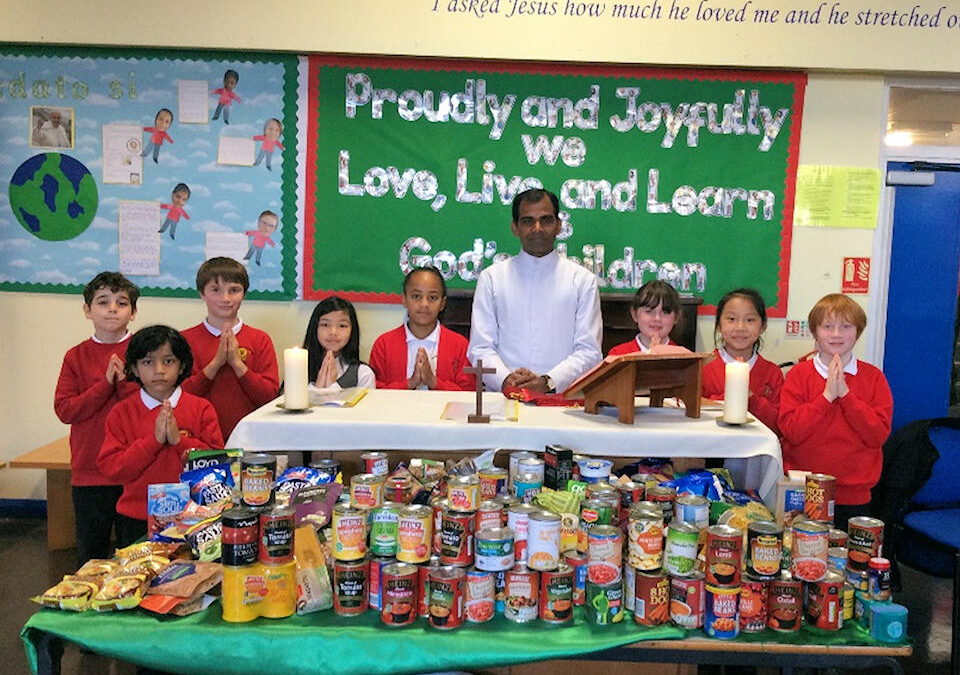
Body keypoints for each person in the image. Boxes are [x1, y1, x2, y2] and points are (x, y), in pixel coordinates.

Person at [98, 325, 223, 548]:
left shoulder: (201, 408)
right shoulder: (121, 413)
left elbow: (219, 467)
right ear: (134, 369)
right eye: (147, 362)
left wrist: (180, 441)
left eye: (168, 361)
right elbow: (112, 469)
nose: (159, 370)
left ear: (182, 365)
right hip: (137, 518)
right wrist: (153, 442)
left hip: (195, 517)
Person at [468, 188, 602, 394]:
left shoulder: (582, 281)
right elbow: (480, 348)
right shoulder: (492, 278)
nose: (537, 228)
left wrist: (548, 382)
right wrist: (505, 380)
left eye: (546, 220)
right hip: (503, 396)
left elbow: (589, 351)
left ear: (558, 226)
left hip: (562, 400)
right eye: (528, 221)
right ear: (515, 227)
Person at [778, 293, 893, 528]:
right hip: (802, 490)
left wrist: (846, 396)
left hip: (855, 494)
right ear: (815, 332)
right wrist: (827, 396)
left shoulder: (873, 378)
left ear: (858, 331)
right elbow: (792, 431)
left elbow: (877, 434)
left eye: (846, 326)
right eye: (827, 326)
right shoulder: (799, 375)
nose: (836, 334)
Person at [54, 272, 140, 565]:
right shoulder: (75, 356)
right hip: (90, 470)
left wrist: (123, 383)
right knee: (91, 556)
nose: (112, 309)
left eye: (122, 303)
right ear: (87, 311)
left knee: (136, 554)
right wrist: (104, 385)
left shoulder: (146, 353)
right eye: (103, 302)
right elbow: (65, 410)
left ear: (134, 312)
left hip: (135, 470)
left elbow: (151, 403)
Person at [181, 257, 279, 440]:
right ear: (202, 293)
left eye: (234, 290)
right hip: (199, 440)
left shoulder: (260, 339)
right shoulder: (184, 340)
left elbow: (269, 397)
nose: (225, 299)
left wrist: (237, 364)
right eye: (215, 290)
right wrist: (216, 364)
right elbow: (181, 396)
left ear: (244, 293)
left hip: (251, 439)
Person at [369, 266, 475, 391]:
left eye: (432, 298)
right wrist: (410, 383)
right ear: (404, 299)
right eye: (416, 296)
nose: (424, 304)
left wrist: (434, 382)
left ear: (442, 303)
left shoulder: (460, 345)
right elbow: (374, 392)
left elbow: (469, 394)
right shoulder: (384, 344)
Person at [701, 288, 783, 435]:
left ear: (763, 326)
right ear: (719, 325)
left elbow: (778, 425)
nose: (740, 327)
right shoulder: (702, 367)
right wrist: (731, 396)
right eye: (731, 319)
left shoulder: (772, 373)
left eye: (750, 320)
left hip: (757, 452)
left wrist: (752, 399)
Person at [303, 296, 375, 391]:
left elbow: (366, 406)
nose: (333, 332)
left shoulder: (363, 373)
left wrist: (331, 387)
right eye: (325, 325)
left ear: (352, 331)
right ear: (314, 328)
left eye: (342, 326)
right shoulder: (298, 367)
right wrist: (317, 388)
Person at [607, 280, 683, 355]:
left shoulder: (684, 356)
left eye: (665, 312)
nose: (657, 318)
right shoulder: (618, 355)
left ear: (676, 317)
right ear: (634, 314)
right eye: (649, 311)